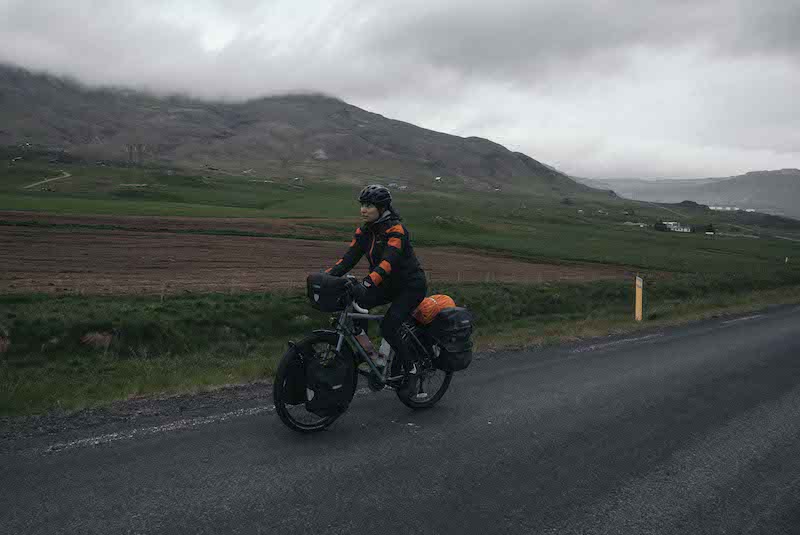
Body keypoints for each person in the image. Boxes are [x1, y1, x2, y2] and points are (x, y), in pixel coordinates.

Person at [325, 184, 427, 378]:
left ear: (383, 208)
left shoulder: (396, 230)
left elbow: (388, 262)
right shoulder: (364, 232)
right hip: (384, 285)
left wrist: (366, 284)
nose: (364, 209)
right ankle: (369, 354)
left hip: (410, 286)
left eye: (370, 205)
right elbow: (347, 260)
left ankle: (411, 368)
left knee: (388, 327)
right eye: (362, 204)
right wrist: (326, 276)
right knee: (355, 304)